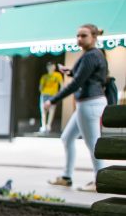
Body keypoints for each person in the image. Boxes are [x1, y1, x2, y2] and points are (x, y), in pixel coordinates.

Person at [46, 24, 111, 192]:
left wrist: (53, 100)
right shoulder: (92, 55)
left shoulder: (91, 55)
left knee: (93, 144)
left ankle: (100, 181)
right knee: (67, 138)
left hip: (90, 104)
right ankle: (66, 177)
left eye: (84, 35)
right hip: (87, 104)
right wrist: (72, 72)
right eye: (78, 36)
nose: (79, 39)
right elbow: (85, 76)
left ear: (94, 37)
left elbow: (76, 84)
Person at [38, 63, 63, 133]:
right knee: (43, 111)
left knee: (52, 110)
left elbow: (62, 85)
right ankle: (43, 126)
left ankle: (48, 125)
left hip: (53, 95)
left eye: (51, 65)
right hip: (44, 95)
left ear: (54, 67)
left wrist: (59, 94)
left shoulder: (58, 75)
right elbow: (40, 87)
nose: (50, 67)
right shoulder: (44, 77)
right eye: (48, 66)